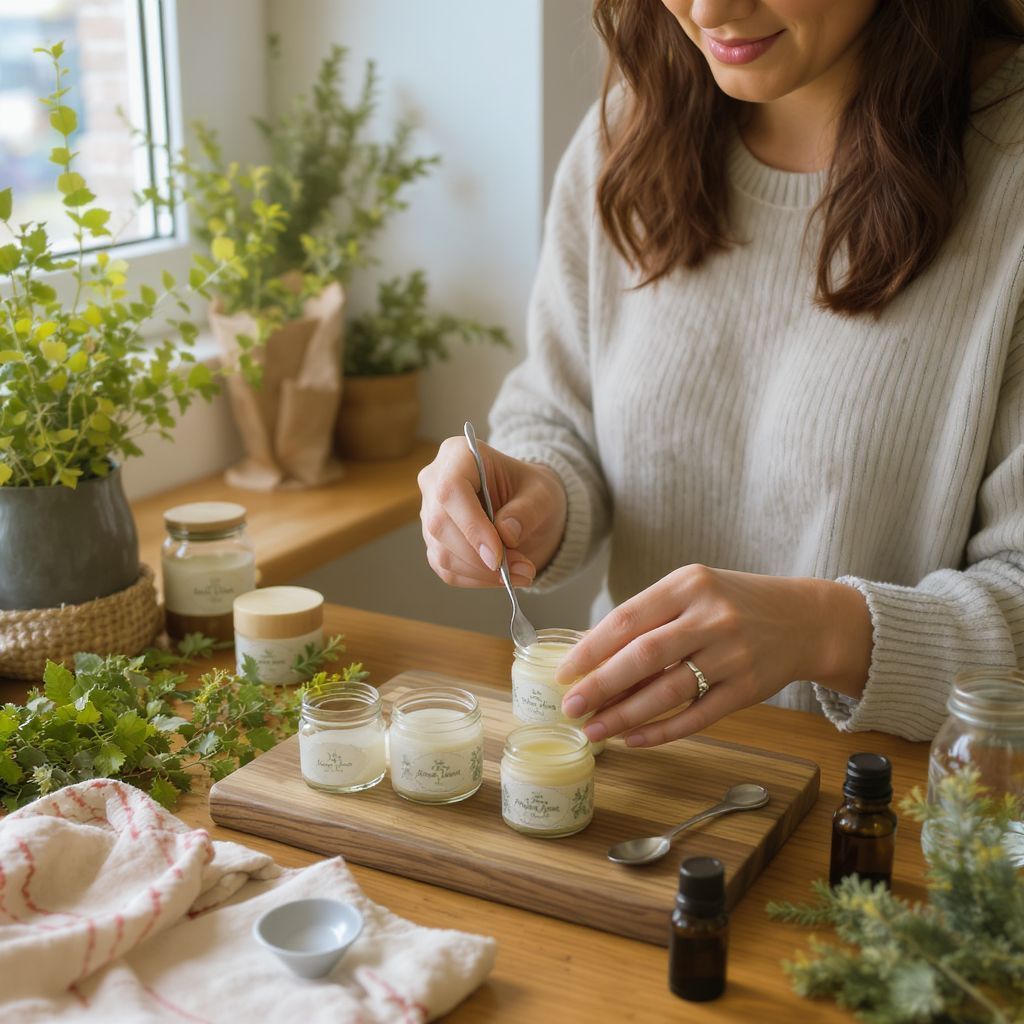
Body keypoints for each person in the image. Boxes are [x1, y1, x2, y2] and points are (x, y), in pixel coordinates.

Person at [417, 0, 1024, 746]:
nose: (709, 11)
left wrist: (822, 631)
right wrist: (535, 494)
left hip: (898, 802)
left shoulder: (1010, 170)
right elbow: (560, 410)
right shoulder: (633, 127)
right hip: (639, 777)